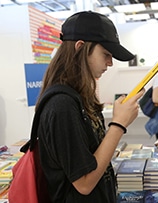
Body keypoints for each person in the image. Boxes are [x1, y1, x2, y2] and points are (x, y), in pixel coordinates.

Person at [35, 11, 144, 202]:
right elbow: (84, 183)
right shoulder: (62, 105)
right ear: (80, 48)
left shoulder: (79, 97)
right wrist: (118, 125)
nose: (110, 63)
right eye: (106, 54)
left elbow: (90, 157)